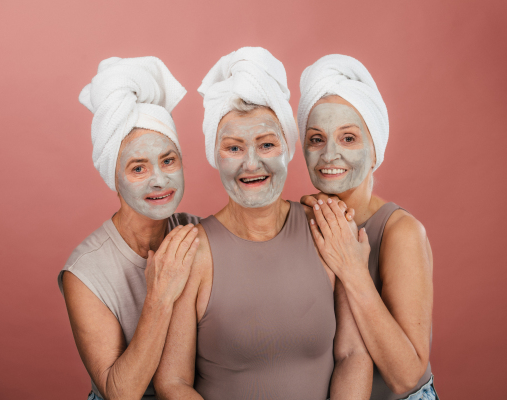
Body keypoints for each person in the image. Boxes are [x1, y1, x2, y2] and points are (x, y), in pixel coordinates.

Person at [153, 47, 373, 400]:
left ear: (287, 147)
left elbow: (354, 354)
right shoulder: (193, 250)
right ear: (215, 155)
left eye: (266, 144)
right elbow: (173, 382)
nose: (251, 163)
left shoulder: (327, 229)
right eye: (234, 148)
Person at [58, 57, 200, 400]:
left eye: (169, 160)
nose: (160, 179)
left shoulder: (197, 233)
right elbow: (119, 393)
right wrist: (159, 296)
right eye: (138, 168)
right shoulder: (85, 272)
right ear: (114, 179)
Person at [299, 55, 438, 400]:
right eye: (317, 139)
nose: (329, 154)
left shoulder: (401, 232)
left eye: (348, 139)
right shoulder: (302, 220)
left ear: (375, 151)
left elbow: (407, 376)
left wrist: (350, 266)